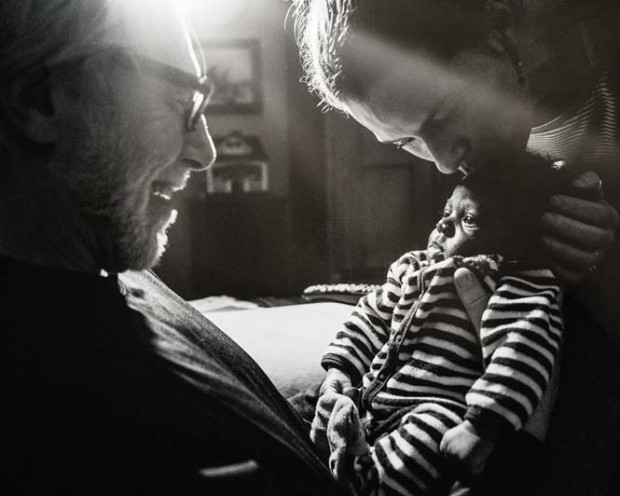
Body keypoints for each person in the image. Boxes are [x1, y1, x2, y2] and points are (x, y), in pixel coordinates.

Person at [0, 1, 344, 494]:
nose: (205, 152)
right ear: (42, 100)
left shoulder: (101, 262)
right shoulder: (57, 412)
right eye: (185, 104)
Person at [292, 0, 620, 493]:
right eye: (405, 142)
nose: (444, 162)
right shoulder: (478, 159)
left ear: (500, 28)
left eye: (444, 113)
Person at [310, 159, 565, 496]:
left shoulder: (513, 284)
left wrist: (482, 427)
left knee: (429, 435)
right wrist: (340, 370)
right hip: (372, 398)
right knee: (315, 403)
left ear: (515, 240)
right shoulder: (412, 266)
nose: (444, 224)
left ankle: (365, 480)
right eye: (447, 211)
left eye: (468, 220)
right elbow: (371, 316)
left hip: (438, 408)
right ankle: (345, 449)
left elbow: (519, 352)